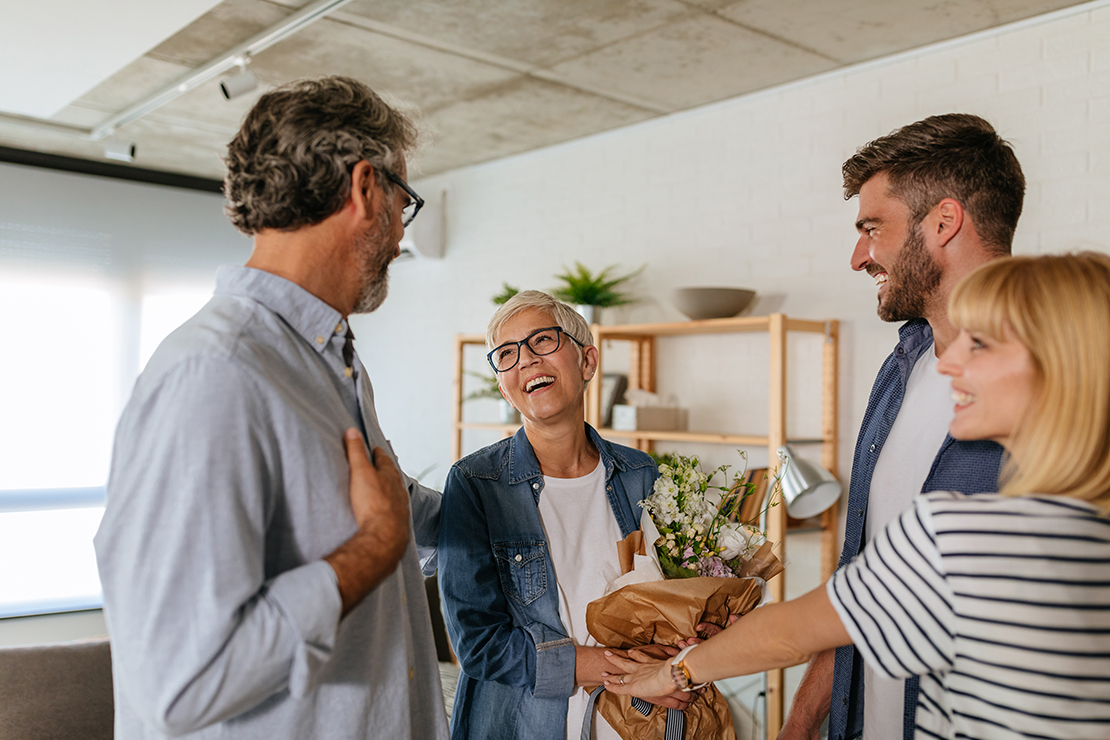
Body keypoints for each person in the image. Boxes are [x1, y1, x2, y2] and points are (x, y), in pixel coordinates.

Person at [602, 252, 1110, 739]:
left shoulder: (962, 533)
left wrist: (669, 676)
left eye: (979, 344)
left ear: (1057, 365)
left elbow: (790, 634)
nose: (950, 364)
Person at [94, 77, 447, 740]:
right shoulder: (215, 373)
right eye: (405, 202)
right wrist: (374, 549)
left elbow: (368, 503)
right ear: (367, 189)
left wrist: (507, 496)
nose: (402, 234)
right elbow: (179, 683)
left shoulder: (330, 359)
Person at [775, 113, 1026, 740]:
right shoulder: (902, 368)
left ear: (944, 221)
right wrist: (802, 724)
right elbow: (856, 583)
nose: (859, 256)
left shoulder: (1061, 384)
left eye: (871, 227)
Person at [437, 291, 692, 740]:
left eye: (542, 341)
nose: (526, 361)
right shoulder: (475, 483)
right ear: (503, 385)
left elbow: (672, 602)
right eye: (507, 354)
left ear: (588, 361)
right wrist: (619, 669)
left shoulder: (641, 475)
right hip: (521, 726)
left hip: (630, 723)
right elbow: (478, 644)